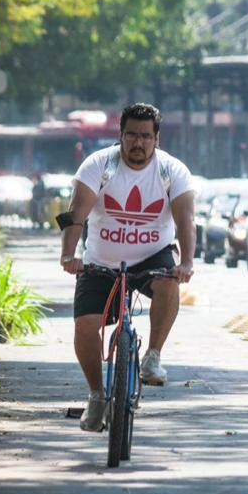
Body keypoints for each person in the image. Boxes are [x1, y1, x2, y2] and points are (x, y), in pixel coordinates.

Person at [58, 103, 196, 432]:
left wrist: (187, 262)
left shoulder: (172, 171)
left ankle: (153, 356)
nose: (138, 143)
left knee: (168, 284)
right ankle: (96, 396)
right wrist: (68, 255)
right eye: (131, 135)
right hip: (101, 261)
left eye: (145, 137)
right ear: (120, 136)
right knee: (85, 327)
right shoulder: (99, 165)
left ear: (157, 139)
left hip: (154, 255)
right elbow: (75, 215)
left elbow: (186, 220)